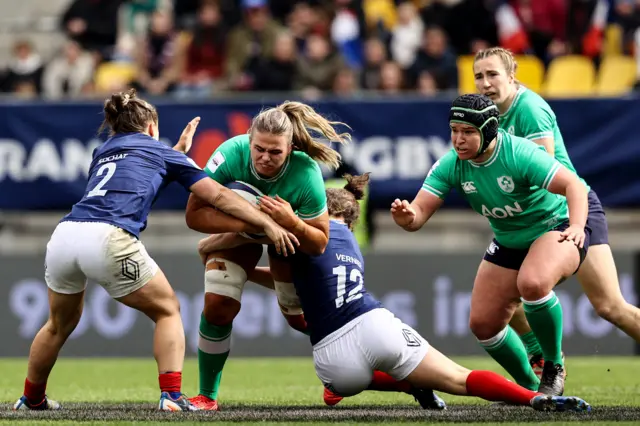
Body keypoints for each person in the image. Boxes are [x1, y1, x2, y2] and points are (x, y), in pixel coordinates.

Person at [200, 173, 592, 413]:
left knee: (338, 385)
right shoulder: (346, 241)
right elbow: (309, 279)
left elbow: (268, 252)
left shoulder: (308, 232)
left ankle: (407, 383)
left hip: (332, 357)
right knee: (458, 378)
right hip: (372, 323)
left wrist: (224, 253)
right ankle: (535, 400)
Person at [13, 89, 298, 412]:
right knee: (167, 311)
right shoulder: (162, 152)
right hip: (108, 238)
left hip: (66, 235)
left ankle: (31, 398)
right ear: (151, 128)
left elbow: (140, 178)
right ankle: (172, 396)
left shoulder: (103, 150)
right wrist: (267, 223)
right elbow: (217, 196)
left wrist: (176, 153)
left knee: (57, 324)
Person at [391, 94, 590, 397]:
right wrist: (406, 216)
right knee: (483, 325)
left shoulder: (520, 153)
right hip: (509, 241)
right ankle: (529, 386)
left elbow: (573, 185)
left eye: (468, 132)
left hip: (555, 228)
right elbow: (417, 216)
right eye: (454, 130)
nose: (458, 140)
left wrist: (576, 226)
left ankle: (553, 366)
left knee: (532, 283)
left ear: (489, 131)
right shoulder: (452, 164)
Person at [473, 47, 640, 376]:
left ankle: (539, 352)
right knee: (504, 297)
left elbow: (542, 169)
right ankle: (537, 351)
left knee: (610, 306)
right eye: (479, 76)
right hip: (530, 219)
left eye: (493, 74)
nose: (485, 83)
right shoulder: (486, 115)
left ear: (512, 74)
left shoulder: (530, 109)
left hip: (569, 210)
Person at [184, 101, 350, 411]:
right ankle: (207, 397)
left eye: (275, 152)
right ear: (248, 138)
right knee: (218, 306)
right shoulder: (231, 154)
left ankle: (344, 372)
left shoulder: (305, 172)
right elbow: (194, 216)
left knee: (299, 320)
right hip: (242, 232)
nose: (265, 157)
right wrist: (252, 223)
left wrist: (291, 223)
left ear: (290, 147)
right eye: (259, 148)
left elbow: (318, 244)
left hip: (288, 240)